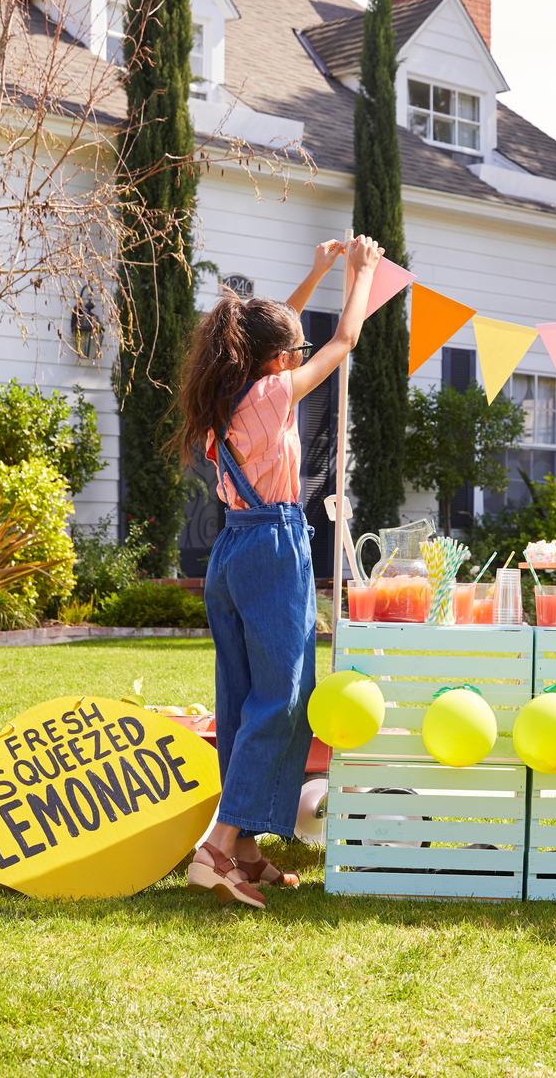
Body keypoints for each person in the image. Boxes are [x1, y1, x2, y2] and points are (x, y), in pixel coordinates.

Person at [173, 235, 384, 909]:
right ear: (274, 359)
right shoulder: (270, 393)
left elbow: (277, 333)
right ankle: (218, 843)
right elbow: (343, 341)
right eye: (290, 351)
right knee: (285, 697)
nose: (297, 356)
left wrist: (316, 268)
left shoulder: (228, 394)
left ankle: (246, 849)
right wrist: (360, 274)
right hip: (271, 549)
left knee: (241, 699)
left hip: (230, 555)